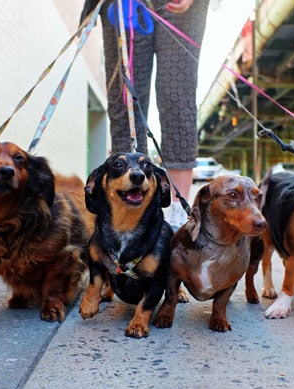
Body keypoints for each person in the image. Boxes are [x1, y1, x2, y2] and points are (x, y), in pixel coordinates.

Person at [80, 0, 209, 230]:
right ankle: (129, 212)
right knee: (124, 98)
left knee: (177, 95)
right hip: (123, 4)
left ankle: (177, 214)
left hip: (180, 7)